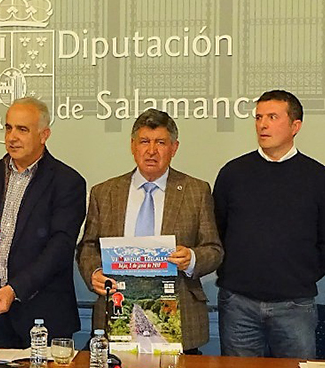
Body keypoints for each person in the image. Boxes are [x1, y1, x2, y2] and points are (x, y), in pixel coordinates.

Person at [77, 109, 222, 354]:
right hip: (117, 314)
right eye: (144, 141)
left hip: (179, 317)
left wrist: (192, 258)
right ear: (133, 146)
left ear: (174, 148)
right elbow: (88, 246)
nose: (151, 150)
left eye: (160, 143)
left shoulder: (196, 191)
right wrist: (94, 272)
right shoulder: (105, 192)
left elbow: (214, 249)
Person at [212, 89, 325, 358]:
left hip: (295, 305)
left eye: (272, 117)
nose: (262, 125)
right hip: (238, 304)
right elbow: (217, 232)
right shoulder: (233, 174)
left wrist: (299, 276)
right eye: (259, 117)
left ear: (295, 126)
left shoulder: (319, 178)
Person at [0, 97, 86, 347]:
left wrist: (14, 289)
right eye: (8, 128)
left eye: (22, 129)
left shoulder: (67, 182)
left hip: (44, 315)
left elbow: (60, 248)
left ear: (44, 135)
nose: (12, 137)